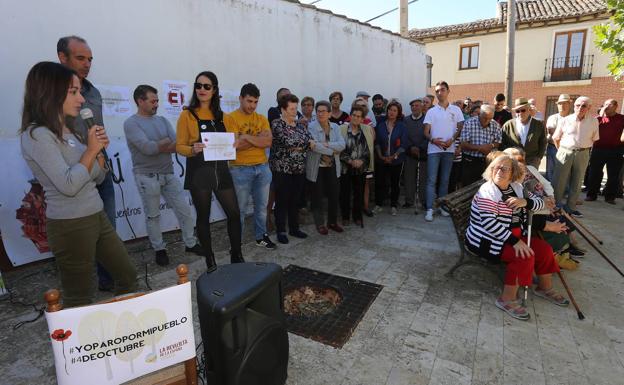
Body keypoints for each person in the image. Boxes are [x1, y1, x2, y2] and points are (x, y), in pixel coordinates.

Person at [20, 61, 137, 307]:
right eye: (73, 92)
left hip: (96, 215)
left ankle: (124, 337)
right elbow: (69, 184)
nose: (82, 99)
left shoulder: (70, 130)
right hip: (70, 224)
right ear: (50, 93)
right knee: (80, 299)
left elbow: (97, 176)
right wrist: (91, 152)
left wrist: (98, 154)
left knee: (127, 276)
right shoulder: (37, 135)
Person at [465, 154, 568, 320]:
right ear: (490, 170)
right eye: (496, 167)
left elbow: (542, 202)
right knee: (525, 255)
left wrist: (525, 202)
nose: (500, 171)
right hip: (488, 241)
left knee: (544, 249)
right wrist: (515, 242)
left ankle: (544, 288)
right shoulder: (487, 191)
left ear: (512, 172)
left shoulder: (517, 188)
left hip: (514, 238)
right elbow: (489, 224)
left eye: (506, 168)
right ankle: (506, 299)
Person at [57, 35, 114, 291]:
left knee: (108, 228)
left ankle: (108, 279)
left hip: (102, 169)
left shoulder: (94, 92)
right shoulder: (50, 93)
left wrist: (101, 144)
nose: (87, 63)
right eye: (81, 58)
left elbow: (96, 126)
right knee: (77, 239)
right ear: (62, 57)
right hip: (73, 174)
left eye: (90, 59)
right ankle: (77, 290)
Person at [123, 85, 203, 266]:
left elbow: (176, 144)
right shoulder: (131, 123)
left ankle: (190, 243)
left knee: (185, 211)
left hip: (168, 173)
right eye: (153, 101)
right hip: (146, 176)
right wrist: (166, 144)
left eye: (157, 100)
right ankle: (159, 249)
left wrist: (163, 145)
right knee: (153, 216)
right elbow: (147, 148)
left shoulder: (163, 120)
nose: (156, 104)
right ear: (140, 101)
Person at [176, 71, 243, 270]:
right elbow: (179, 146)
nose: (202, 90)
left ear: (214, 90)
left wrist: (236, 143)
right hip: (199, 172)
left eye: (207, 86)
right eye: (198, 85)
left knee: (234, 214)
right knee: (203, 217)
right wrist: (192, 149)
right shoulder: (187, 115)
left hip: (221, 170)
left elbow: (235, 140)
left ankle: (237, 255)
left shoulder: (226, 117)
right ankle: (210, 260)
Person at [227, 83, 276, 249]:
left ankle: (261, 237)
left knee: (262, 207)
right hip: (240, 168)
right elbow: (234, 146)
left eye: (255, 102)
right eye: (249, 101)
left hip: (262, 167)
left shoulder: (261, 118)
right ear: (240, 99)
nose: (252, 106)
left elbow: (268, 142)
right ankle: (237, 242)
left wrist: (246, 137)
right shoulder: (230, 118)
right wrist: (256, 139)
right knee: (239, 209)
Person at [270, 94, 311, 244]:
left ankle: (294, 228)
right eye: (292, 108)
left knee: (295, 199)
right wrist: (304, 144)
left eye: (296, 108)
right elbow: (287, 141)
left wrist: (301, 144)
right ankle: (281, 230)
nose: (295, 111)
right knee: (282, 200)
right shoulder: (277, 124)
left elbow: (310, 139)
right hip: (282, 169)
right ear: (283, 109)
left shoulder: (300, 125)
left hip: (299, 168)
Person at [423, 81, 465, 222]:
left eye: (442, 90)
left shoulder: (456, 110)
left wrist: (452, 140)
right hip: (433, 150)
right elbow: (426, 132)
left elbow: (460, 128)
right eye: (437, 91)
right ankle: (429, 209)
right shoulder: (431, 111)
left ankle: (442, 207)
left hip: (449, 149)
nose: (439, 93)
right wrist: (433, 140)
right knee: (431, 180)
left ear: (448, 91)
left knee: (445, 180)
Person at [552, 96, 600, 218]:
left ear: (589, 107)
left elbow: (594, 139)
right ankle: (555, 206)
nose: (580, 108)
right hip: (565, 151)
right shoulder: (565, 120)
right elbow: (556, 138)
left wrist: (582, 150)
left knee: (577, 181)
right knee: (559, 180)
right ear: (574, 106)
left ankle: (571, 208)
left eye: (584, 106)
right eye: (577, 105)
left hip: (583, 153)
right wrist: (564, 150)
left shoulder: (594, 121)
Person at [306, 101, 345, 234]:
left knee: (334, 194)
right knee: (317, 196)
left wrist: (326, 144)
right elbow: (314, 146)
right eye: (318, 111)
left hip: (333, 166)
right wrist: (332, 150)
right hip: (317, 167)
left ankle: (332, 222)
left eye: (323, 111)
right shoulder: (311, 127)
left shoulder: (335, 127)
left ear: (329, 113)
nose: (320, 113)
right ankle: (320, 224)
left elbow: (342, 145)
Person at [586, 99, 624, 204]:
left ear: (616, 106)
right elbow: (591, 128)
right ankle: (592, 195)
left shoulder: (621, 118)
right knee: (594, 173)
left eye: (609, 104)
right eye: (605, 104)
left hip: (616, 150)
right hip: (598, 149)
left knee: (613, 175)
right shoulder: (597, 119)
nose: (606, 106)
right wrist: (601, 115)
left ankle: (610, 197)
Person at [340, 105, 373, 226]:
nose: (355, 118)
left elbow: (368, 149)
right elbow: (339, 149)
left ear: (362, 119)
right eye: (353, 115)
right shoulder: (342, 129)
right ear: (350, 116)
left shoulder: (366, 130)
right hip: (345, 167)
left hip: (360, 168)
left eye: (358, 116)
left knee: (358, 193)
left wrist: (361, 161)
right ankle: (345, 216)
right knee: (345, 193)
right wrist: (350, 161)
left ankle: (357, 216)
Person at [374, 100, 408, 216]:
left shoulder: (402, 126)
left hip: (396, 160)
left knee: (395, 183)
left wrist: (393, 157)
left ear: (398, 113)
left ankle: (393, 205)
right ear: (387, 111)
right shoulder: (381, 125)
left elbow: (403, 145)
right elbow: (377, 142)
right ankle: (378, 204)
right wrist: (381, 156)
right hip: (381, 160)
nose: (392, 112)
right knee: (380, 182)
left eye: (394, 110)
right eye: (390, 110)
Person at [459, 104, 501, 185]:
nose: (487, 121)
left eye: (490, 118)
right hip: (470, 161)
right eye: (485, 118)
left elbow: (498, 141)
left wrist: (491, 146)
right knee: (468, 186)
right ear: (479, 114)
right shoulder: (469, 123)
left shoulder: (495, 125)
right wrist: (480, 148)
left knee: (485, 185)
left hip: (487, 161)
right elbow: (463, 144)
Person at [500, 97, 547, 169]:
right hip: (513, 161)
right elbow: (502, 143)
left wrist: (538, 158)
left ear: (529, 110)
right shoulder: (508, 125)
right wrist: (508, 156)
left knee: (530, 180)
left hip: (532, 162)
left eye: (523, 110)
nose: (520, 113)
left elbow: (543, 142)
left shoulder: (538, 124)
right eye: (517, 111)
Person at [403, 98, 427, 210]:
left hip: (423, 154)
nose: (414, 107)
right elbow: (404, 136)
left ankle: (423, 201)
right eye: (412, 106)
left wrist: (420, 147)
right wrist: (411, 147)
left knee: (423, 179)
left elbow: (430, 135)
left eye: (417, 105)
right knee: (409, 178)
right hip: (409, 153)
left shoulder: (427, 119)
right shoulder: (406, 120)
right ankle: (409, 201)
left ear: (422, 107)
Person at [545, 94, 572, 182]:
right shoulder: (553, 118)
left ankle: (564, 191)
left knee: (566, 171)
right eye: (560, 104)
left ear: (569, 104)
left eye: (565, 103)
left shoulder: (573, 118)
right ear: (557, 105)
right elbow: (552, 131)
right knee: (551, 171)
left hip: (568, 149)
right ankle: (550, 191)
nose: (562, 106)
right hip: (553, 147)